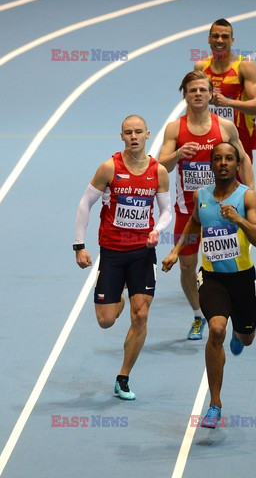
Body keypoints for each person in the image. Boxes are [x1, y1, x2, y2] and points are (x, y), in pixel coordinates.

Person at [162, 142, 256, 427]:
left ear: (237, 165)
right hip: (212, 278)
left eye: (229, 159)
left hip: (243, 279)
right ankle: (215, 404)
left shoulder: (249, 199)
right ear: (211, 164)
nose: (223, 163)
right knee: (216, 331)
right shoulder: (202, 196)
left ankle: (240, 335)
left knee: (246, 337)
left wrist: (239, 221)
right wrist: (176, 251)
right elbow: (195, 222)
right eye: (218, 159)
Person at [73, 114, 171, 400]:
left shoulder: (158, 172)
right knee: (106, 321)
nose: (133, 137)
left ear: (148, 134)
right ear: (121, 136)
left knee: (140, 315)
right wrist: (79, 245)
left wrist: (157, 230)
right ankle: (120, 292)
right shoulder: (109, 168)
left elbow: (166, 211)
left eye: (138, 132)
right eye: (128, 132)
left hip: (143, 252)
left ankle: (123, 377)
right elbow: (85, 203)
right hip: (113, 253)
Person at [158, 70, 254, 341]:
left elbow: (243, 159)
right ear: (185, 95)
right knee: (187, 266)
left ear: (211, 93)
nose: (198, 94)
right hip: (187, 210)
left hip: (220, 209)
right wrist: (177, 154)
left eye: (202, 90)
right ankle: (199, 315)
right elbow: (159, 166)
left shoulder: (224, 126)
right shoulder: (175, 128)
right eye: (192, 90)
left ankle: (230, 313)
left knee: (226, 263)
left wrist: (250, 195)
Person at [195, 18, 256, 163]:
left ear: (232, 40)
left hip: (239, 139)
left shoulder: (244, 66)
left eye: (225, 36)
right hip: (209, 138)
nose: (219, 40)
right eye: (215, 36)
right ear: (209, 39)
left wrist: (228, 102)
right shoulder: (201, 67)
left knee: (242, 185)